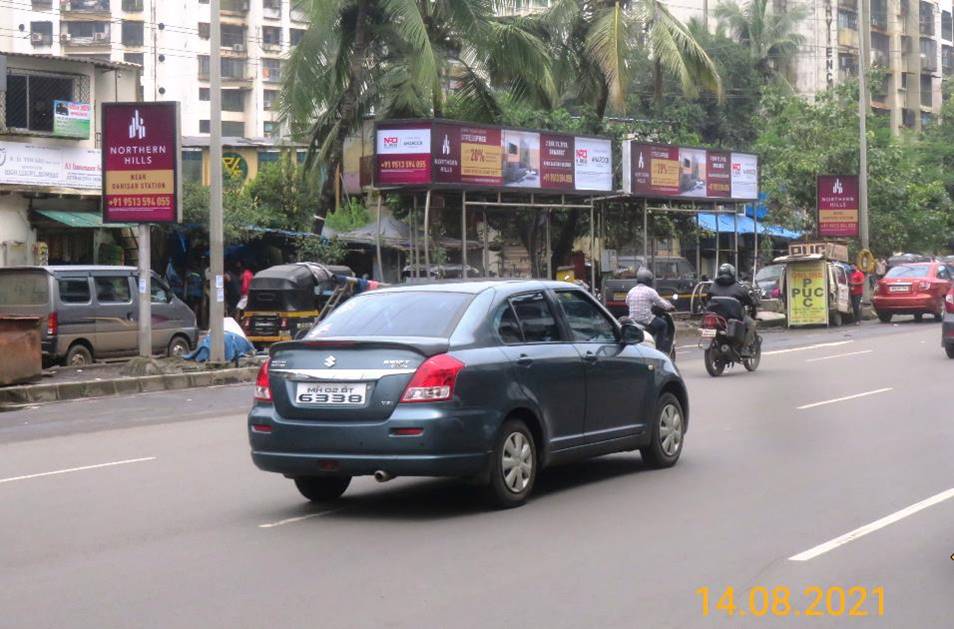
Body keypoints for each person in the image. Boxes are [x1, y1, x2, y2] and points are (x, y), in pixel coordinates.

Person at [707, 263, 757, 354]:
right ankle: (744, 348)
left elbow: (707, 299)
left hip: (717, 318)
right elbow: (749, 300)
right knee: (752, 324)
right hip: (733, 317)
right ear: (733, 274)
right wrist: (753, 306)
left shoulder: (713, 286)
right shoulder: (738, 287)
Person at [625, 268, 676, 354]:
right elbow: (661, 303)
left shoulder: (631, 291)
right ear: (649, 280)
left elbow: (627, 302)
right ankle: (660, 350)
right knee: (663, 324)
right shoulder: (650, 291)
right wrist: (670, 307)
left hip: (633, 320)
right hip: (646, 320)